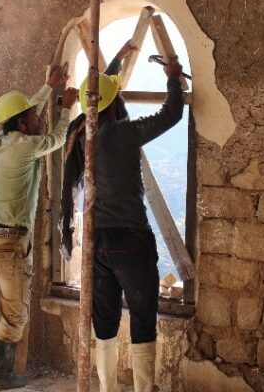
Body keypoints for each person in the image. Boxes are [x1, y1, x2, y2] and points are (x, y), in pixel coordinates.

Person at [60, 48, 184, 392]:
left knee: (105, 322)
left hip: (97, 244)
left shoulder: (80, 135)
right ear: (116, 104)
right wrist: (173, 75)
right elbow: (171, 113)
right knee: (143, 318)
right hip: (131, 240)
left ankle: (106, 388)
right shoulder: (123, 133)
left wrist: (116, 61)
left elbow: (99, 92)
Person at [0, 66, 78, 390]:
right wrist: (66, 107)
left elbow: (26, 116)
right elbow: (55, 138)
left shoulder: (0, 141)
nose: (39, 118)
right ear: (24, 125)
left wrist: (48, 86)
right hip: (11, 245)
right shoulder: (27, 146)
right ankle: (2, 376)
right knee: (15, 313)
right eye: (32, 117)